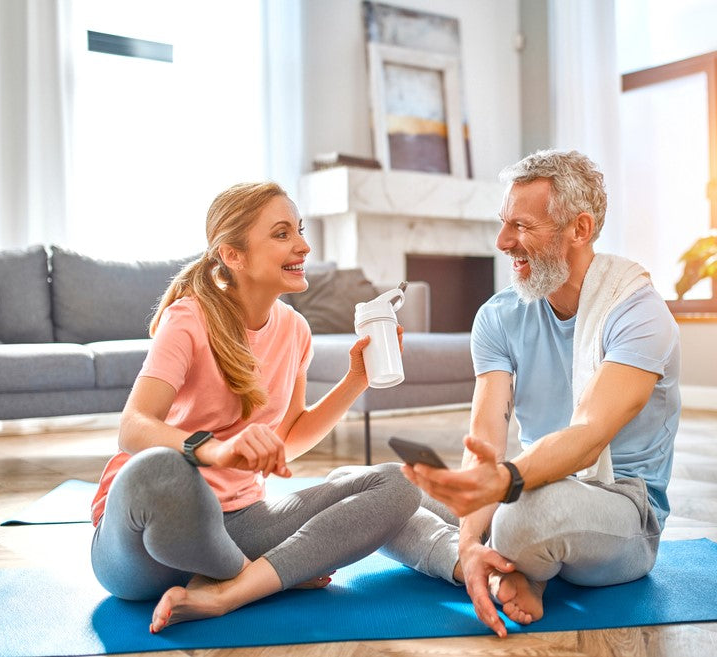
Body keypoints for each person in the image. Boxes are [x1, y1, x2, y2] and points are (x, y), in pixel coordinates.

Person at [89, 181, 421, 633]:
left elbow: (288, 439)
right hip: (145, 545)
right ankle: (264, 571)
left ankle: (232, 587)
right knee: (159, 473)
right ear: (233, 255)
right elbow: (133, 427)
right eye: (282, 234)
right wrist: (217, 451)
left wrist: (355, 381)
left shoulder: (295, 331)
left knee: (399, 483)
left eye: (299, 230)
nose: (303, 245)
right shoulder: (188, 318)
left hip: (241, 524)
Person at [386, 149, 681, 637]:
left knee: (525, 517)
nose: (502, 242)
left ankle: (509, 558)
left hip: (619, 505)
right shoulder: (498, 316)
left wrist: (501, 487)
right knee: (384, 489)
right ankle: (481, 564)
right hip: (524, 480)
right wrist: (467, 534)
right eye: (503, 223)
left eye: (521, 226)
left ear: (579, 229)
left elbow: (588, 433)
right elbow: (486, 436)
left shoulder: (639, 314)